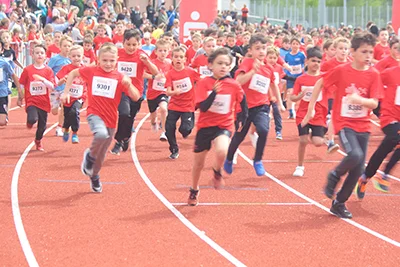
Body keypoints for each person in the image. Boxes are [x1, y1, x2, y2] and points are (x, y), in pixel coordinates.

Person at [302, 32, 383, 219]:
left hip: (363, 125)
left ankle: (339, 202)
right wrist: (310, 109)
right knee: (355, 154)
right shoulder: (342, 71)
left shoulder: (374, 74)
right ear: (352, 52)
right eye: (364, 52)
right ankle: (335, 175)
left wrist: (359, 100)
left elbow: (374, 103)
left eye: (371, 52)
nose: (368, 56)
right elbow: (320, 83)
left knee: (358, 168)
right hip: (344, 123)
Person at [63, 43, 140, 193]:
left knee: (102, 156)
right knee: (100, 134)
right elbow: (73, 74)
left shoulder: (120, 77)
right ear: (98, 60)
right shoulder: (91, 71)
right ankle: (89, 157)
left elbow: (136, 97)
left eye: (111, 61)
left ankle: (95, 175)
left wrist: (129, 85)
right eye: (104, 60)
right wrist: (66, 92)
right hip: (94, 113)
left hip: (111, 119)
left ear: (117, 60)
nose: (108, 64)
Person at [188, 48, 247, 206]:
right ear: (210, 65)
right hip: (205, 126)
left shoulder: (233, 85)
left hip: (224, 125)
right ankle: (194, 189)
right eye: (219, 63)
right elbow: (204, 107)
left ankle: (216, 170)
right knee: (198, 164)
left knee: (223, 150)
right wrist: (213, 93)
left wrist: (243, 118)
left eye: (226, 64)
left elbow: (243, 101)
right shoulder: (203, 83)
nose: (223, 67)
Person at [223, 33, 285, 177]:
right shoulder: (247, 63)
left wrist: (280, 103)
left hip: (261, 106)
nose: (262, 51)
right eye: (258, 48)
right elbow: (238, 81)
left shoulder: (269, 68)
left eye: (264, 48)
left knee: (263, 130)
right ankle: (229, 158)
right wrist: (252, 72)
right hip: (243, 108)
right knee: (238, 137)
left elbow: (273, 85)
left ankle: (257, 160)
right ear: (250, 50)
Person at [355, 44, 400, 198]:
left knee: (395, 142)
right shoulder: (391, 72)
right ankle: (377, 176)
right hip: (389, 115)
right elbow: (372, 76)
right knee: (394, 137)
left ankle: (368, 176)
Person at [110, 29, 158, 155]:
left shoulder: (142, 55)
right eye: (128, 44)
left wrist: (147, 62)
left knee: (130, 118)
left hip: (136, 92)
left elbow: (155, 72)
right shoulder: (117, 54)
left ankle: (126, 137)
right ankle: (118, 141)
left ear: (139, 44)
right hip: (121, 91)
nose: (131, 48)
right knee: (124, 113)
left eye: (134, 45)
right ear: (123, 42)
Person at [291, 47, 326, 177]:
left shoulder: (324, 78)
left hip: (319, 115)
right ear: (306, 61)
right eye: (313, 61)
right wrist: (300, 96)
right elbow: (292, 97)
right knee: (303, 140)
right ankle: (299, 166)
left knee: (318, 143)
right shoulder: (301, 79)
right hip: (303, 115)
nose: (316, 64)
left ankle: (314, 134)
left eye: (318, 61)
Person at [165, 47, 201, 159]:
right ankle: (174, 148)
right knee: (169, 128)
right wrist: (174, 92)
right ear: (172, 59)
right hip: (174, 105)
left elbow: (201, 81)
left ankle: (187, 129)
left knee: (184, 129)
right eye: (176, 57)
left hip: (188, 106)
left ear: (185, 59)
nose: (178, 59)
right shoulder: (170, 74)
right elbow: (168, 92)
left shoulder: (190, 72)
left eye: (181, 57)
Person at [19, 44, 55, 151]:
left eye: (42, 53)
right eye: (37, 53)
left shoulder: (48, 71)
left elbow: (52, 86)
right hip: (31, 101)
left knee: (42, 127)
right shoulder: (28, 70)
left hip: (44, 102)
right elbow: (21, 83)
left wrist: (42, 80)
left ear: (45, 56)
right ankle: (30, 121)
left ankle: (38, 141)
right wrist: (20, 97)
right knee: (33, 118)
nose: (39, 55)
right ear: (32, 55)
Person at [57, 45, 87, 143]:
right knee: (67, 115)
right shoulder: (66, 68)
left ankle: (75, 133)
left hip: (80, 96)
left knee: (74, 112)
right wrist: (63, 80)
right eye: (73, 56)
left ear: (82, 57)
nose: (76, 58)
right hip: (68, 96)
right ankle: (66, 129)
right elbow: (58, 81)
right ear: (69, 57)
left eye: (78, 56)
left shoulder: (85, 69)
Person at [144, 39, 171, 141]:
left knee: (164, 109)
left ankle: (164, 131)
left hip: (163, 92)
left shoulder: (169, 63)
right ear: (156, 52)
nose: (163, 53)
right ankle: (154, 123)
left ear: (168, 51)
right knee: (153, 116)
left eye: (165, 50)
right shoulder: (152, 63)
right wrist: (154, 77)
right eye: (160, 50)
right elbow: (142, 74)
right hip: (152, 93)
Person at [48, 35, 73, 137]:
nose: (67, 48)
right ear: (60, 47)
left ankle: (59, 128)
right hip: (55, 88)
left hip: (65, 89)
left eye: (69, 46)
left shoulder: (71, 59)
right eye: (65, 46)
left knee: (64, 108)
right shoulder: (55, 59)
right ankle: (56, 108)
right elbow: (48, 70)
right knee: (54, 111)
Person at [0, 49, 23, 126]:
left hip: (2, 93)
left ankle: (4, 116)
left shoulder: (4, 62)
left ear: (2, 50)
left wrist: (19, 90)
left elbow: (13, 75)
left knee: (2, 122)